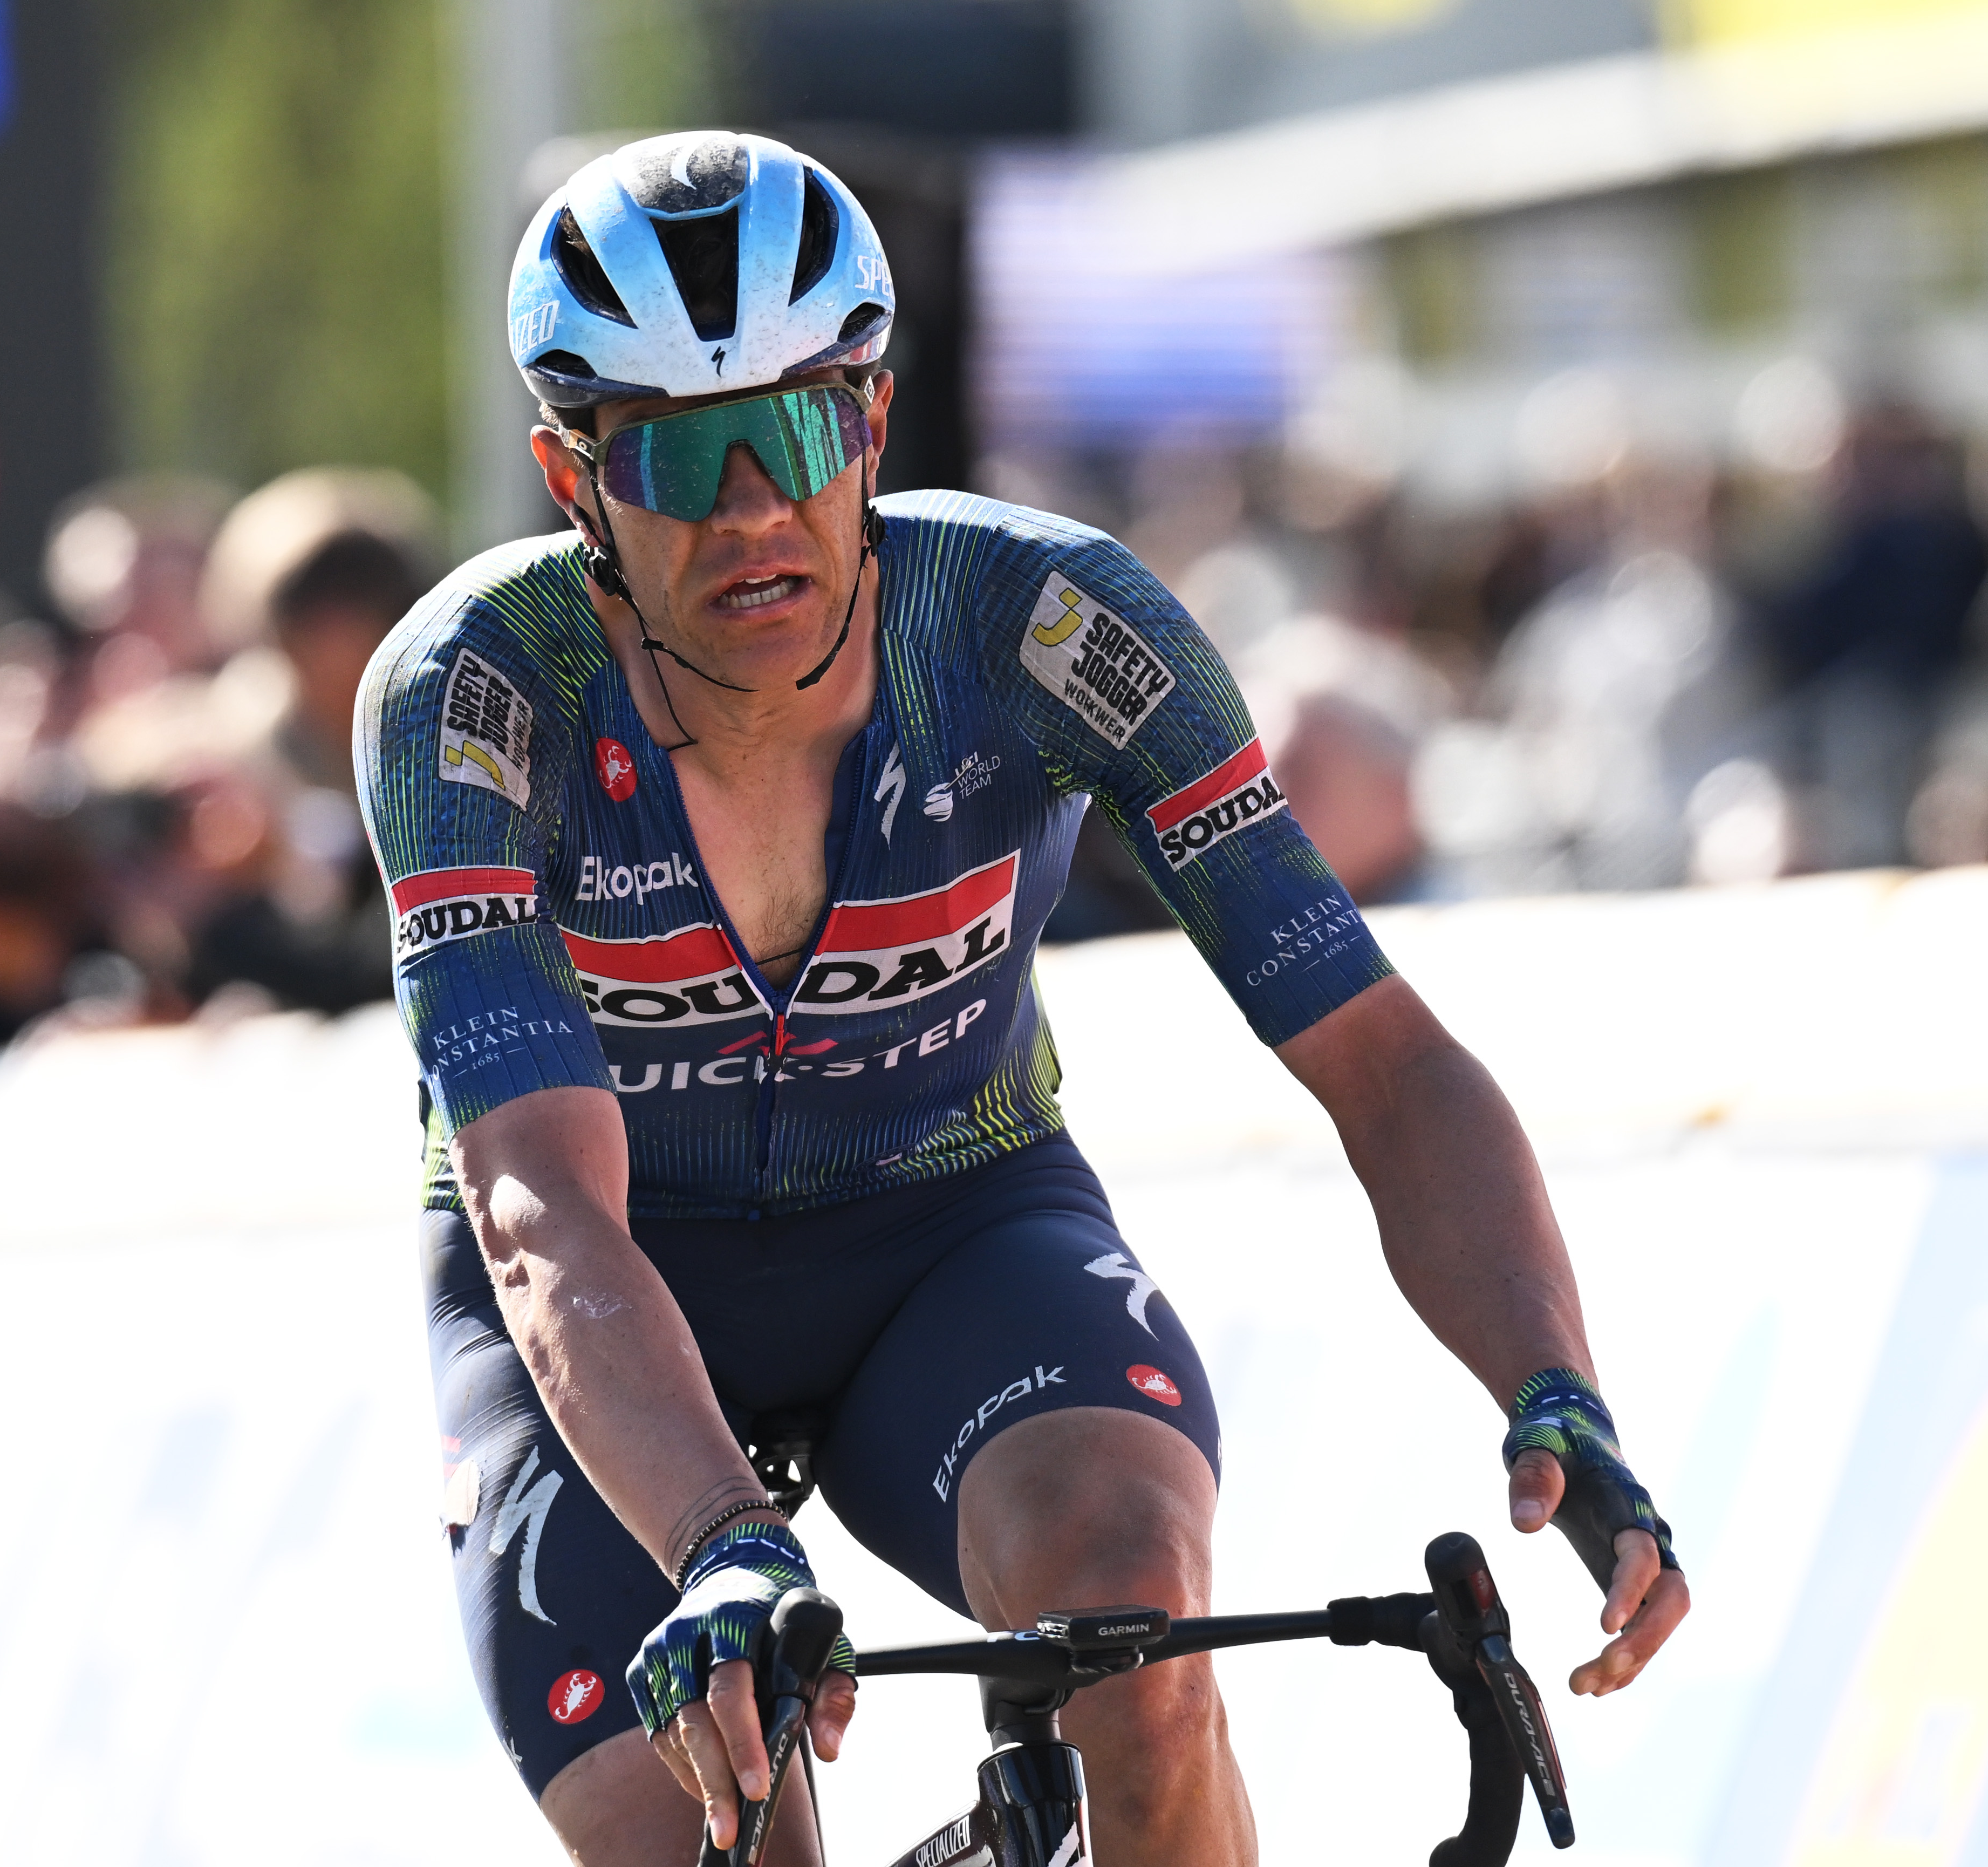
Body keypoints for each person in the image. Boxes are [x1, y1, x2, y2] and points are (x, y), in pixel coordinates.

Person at [356, 131, 1688, 1865]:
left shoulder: (1043, 628)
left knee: (1130, 1617)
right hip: (607, 1292)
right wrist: (717, 1539)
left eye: (803, 426)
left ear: (878, 423)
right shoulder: (475, 698)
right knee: (718, 1820)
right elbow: (539, 1206)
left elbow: (1379, 1051)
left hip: (946, 1231)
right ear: (569, 477)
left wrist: (1552, 1382)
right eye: (684, 454)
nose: (756, 503)